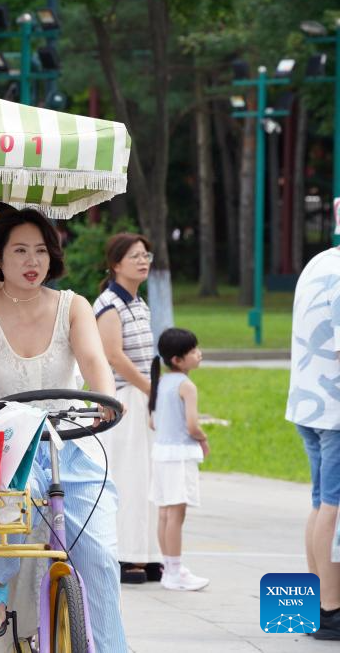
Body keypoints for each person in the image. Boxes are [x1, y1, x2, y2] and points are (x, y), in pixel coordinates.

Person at [0, 207, 127, 651]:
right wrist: (12, 419)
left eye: (41, 251)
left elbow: (95, 361)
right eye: (19, 251)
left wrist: (105, 397)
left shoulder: (74, 305)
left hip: (70, 442)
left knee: (100, 558)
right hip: (11, 443)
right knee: (18, 500)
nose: (32, 261)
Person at [93, 233, 162, 584]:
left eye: (145, 255)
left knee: (146, 478)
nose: (142, 261)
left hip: (142, 395)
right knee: (128, 478)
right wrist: (150, 388)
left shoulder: (139, 303)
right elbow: (113, 356)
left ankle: (146, 553)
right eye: (135, 256)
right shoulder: (109, 304)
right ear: (116, 264)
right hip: (123, 398)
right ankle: (123, 556)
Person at [286, 243, 340, 640]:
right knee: (333, 508)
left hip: (309, 404)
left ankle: (315, 605)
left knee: (322, 503)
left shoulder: (320, 262)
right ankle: (332, 609)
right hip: (335, 410)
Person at [148, 327, 210, 591]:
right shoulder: (186, 386)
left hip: (161, 454)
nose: (199, 354)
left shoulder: (161, 382)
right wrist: (203, 438)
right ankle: (174, 572)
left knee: (165, 513)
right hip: (179, 456)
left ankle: (170, 567)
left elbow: (152, 422)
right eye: (193, 351)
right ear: (177, 359)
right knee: (176, 514)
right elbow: (192, 425)